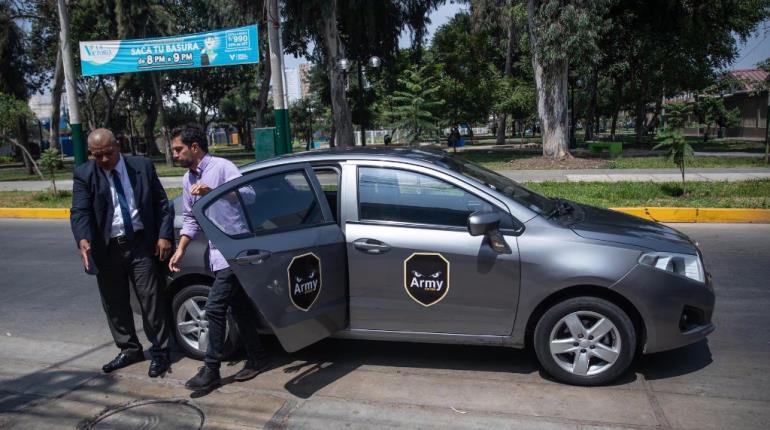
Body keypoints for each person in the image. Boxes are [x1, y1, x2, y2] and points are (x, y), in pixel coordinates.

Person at [167, 122, 268, 392]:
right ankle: (257, 358)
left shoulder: (222, 167)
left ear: (194, 147)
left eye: (178, 150)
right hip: (216, 253)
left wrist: (214, 192)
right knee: (239, 307)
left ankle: (211, 368)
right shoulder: (187, 179)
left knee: (214, 308)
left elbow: (249, 195)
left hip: (236, 250)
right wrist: (180, 249)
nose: (175, 155)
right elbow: (191, 218)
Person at [70, 128, 173, 377]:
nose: (104, 160)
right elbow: (80, 211)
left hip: (140, 244)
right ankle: (129, 349)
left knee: (151, 300)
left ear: (119, 145)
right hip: (107, 249)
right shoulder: (84, 174)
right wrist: (83, 239)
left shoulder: (142, 166)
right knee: (114, 303)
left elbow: (161, 203)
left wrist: (163, 235)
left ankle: (160, 351)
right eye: (97, 155)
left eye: (108, 153)